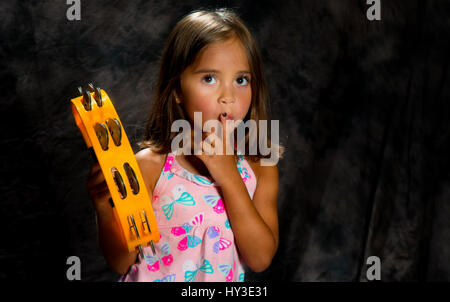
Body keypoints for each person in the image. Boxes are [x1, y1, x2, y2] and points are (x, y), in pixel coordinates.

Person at [87, 8, 282, 282]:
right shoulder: (149, 167)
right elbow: (121, 263)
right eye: (209, 78)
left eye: (241, 80)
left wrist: (229, 176)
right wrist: (105, 209)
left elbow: (261, 259)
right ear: (178, 89)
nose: (228, 96)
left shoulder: (260, 169)